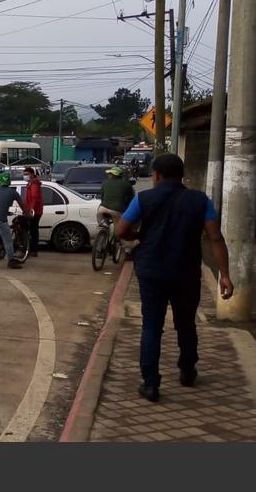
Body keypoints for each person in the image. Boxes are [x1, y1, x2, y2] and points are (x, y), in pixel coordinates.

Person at [115, 153, 233, 403]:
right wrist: (224, 275)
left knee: (151, 326)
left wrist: (138, 237)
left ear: (156, 175)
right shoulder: (200, 201)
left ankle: (150, 384)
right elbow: (215, 238)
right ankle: (187, 371)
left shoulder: (144, 198)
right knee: (186, 323)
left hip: (151, 270)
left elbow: (121, 230)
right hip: (186, 271)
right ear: (182, 176)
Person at [0, 172, 29, 269]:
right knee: (8, 240)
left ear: (0, 181)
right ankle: (11, 261)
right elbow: (22, 205)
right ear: (9, 181)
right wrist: (28, 214)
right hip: (0, 218)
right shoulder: (13, 192)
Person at [23, 166, 44, 257]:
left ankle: (32, 250)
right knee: (32, 231)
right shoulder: (31, 183)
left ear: (31, 174)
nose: (25, 176)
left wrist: (31, 210)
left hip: (34, 212)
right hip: (34, 210)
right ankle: (32, 250)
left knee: (32, 231)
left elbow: (34, 199)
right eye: (24, 174)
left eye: (27, 174)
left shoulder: (34, 184)